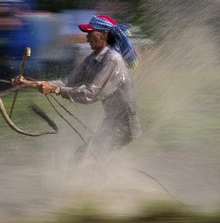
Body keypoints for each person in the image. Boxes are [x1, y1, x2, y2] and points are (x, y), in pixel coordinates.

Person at [12, 14, 140, 165]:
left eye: (90, 33)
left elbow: (90, 94)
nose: (87, 37)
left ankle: (93, 186)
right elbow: (67, 81)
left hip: (125, 124)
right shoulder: (93, 59)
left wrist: (55, 90)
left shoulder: (112, 60)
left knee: (86, 160)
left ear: (104, 35)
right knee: (82, 157)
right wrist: (28, 83)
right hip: (111, 121)